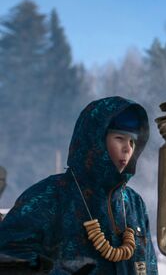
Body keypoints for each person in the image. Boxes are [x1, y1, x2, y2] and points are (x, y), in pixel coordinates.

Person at [0, 96, 157, 274]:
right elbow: (7, 256)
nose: (128, 148)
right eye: (119, 138)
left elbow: (149, 267)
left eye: (132, 141)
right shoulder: (49, 196)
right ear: (95, 141)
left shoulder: (134, 203)